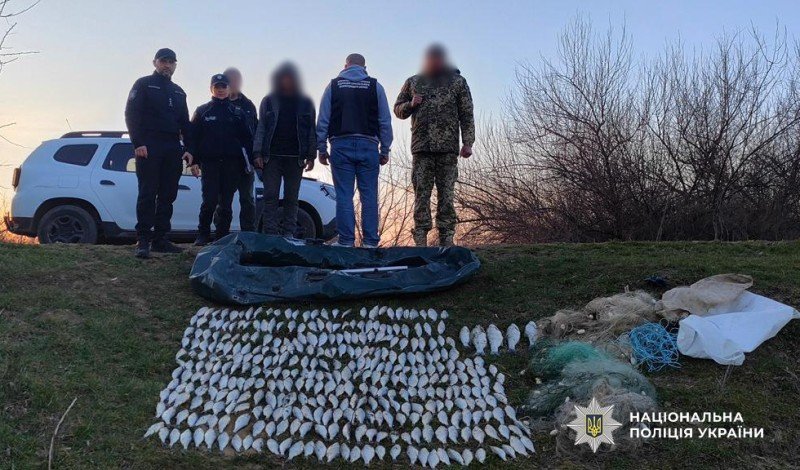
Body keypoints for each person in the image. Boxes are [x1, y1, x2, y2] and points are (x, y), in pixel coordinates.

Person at [394, 44, 475, 247]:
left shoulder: (457, 82)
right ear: (426, 60)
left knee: (446, 194)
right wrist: (411, 104)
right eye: (431, 59)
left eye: (437, 59)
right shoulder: (414, 82)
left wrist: (468, 142)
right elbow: (398, 110)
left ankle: (446, 237)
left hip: (448, 149)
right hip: (422, 148)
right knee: (421, 193)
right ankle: (420, 236)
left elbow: (466, 113)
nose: (434, 62)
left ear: (443, 60)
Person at [316, 53, 393, 248]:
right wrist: (385, 149)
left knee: (344, 195)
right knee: (369, 196)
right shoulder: (375, 86)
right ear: (364, 68)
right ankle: (370, 242)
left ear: (345, 66)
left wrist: (321, 148)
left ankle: (346, 241)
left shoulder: (334, 86)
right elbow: (385, 121)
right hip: (369, 146)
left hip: (341, 146)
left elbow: (323, 119)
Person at [124, 48, 193, 258]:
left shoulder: (179, 92)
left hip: (172, 146)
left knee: (168, 195)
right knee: (147, 193)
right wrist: (138, 142)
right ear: (155, 62)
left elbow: (185, 123)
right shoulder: (143, 84)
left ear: (175, 65)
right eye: (163, 61)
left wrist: (189, 149)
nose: (167, 65)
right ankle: (143, 240)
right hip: (149, 145)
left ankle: (161, 239)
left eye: (171, 62)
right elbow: (131, 114)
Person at [187, 74, 253, 246]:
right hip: (210, 164)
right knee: (209, 201)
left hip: (232, 165)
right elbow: (193, 138)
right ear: (211, 89)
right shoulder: (202, 111)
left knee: (226, 203)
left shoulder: (237, 113)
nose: (221, 90)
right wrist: (194, 161)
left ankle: (222, 237)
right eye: (217, 87)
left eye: (224, 86)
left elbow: (247, 139)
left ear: (229, 89)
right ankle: (202, 234)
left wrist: (248, 163)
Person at [252, 62, 316, 238]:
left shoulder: (306, 102)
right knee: (270, 196)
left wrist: (311, 155)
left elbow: (312, 129)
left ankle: (288, 235)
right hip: (271, 157)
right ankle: (270, 235)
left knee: (291, 198)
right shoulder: (269, 101)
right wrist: (257, 153)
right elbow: (261, 127)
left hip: (296, 158)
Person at [216, 67, 258, 232]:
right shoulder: (216, 105)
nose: (234, 83)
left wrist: (255, 156)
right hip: (224, 161)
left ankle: (248, 234)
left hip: (245, 162)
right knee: (223, 201)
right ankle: (221, 234)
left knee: (247, 199)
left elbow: (255, 131)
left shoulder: (248, 105)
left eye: (237, 79)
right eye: (230, 79)